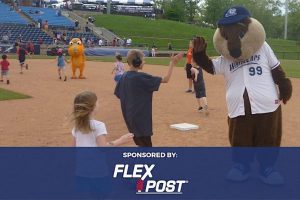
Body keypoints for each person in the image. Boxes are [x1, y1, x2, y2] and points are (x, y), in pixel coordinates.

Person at [114, 50, 183, 147]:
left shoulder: (123, 77)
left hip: (130, 119)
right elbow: (166, 79)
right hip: (141, 120)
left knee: (141, 145)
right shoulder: (141, 77)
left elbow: (118, 94)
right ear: (137, 62)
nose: (144, 62)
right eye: (143, 60)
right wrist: (172, 63)